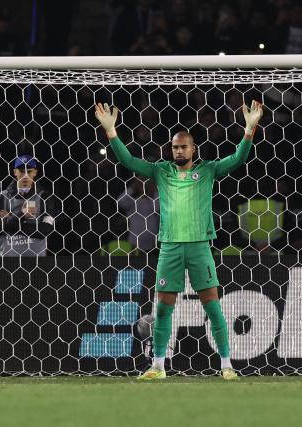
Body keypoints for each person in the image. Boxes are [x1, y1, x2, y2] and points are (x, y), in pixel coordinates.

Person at [95, 100, 264, 380]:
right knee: (163, 308)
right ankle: (158, 366)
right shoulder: (161, 171)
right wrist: (111, 132)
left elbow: (237, 159)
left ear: (193, 149)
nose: (179, 150)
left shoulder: (207, 170)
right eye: (175, 147)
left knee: (213, 306)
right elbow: (129, 162)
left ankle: (226, 365)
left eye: (184, 146)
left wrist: (248, 130)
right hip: (170, 247)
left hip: (199, 246)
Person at [0, 155, 56, 257]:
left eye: (29, 171)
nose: (25, 176)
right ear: (15, 172)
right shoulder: (2, 197)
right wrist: (21, 215)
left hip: (38, 261)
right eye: (22, 171)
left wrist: (11, 220)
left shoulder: (44, 197)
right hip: (7, 262)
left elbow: (45, 230)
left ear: (35, 173)